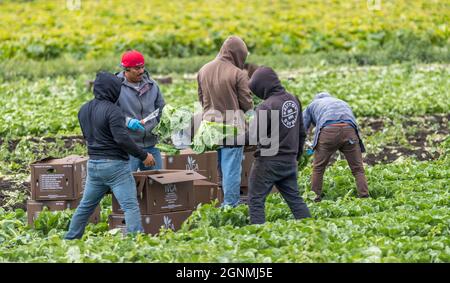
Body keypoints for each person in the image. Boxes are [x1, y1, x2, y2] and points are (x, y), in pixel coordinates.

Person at [65, 72, 155, 239]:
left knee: (86, 206)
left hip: (93, 165)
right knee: (130, 206)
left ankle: (70, 238)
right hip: (115, 167)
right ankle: (137, 241)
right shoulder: (114, 111)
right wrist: (143, 155)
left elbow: (87, 135)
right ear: (111, 90)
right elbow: (122, 139)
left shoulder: (83, 109)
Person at [245, 66, 311, 224]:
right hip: (289, 161)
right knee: (295, 200)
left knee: (255, 200)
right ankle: (312, 232)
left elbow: (253, 137)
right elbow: (302, 132)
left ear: (263, 87)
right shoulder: (293, 100)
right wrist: (297, 156)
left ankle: (258, 236)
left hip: (268, 162)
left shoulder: (266, 106)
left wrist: (224, 140)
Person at [197, 36, 253, 207]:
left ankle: (219, 203)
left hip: (210, 127)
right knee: (231, 170)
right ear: (237, 54)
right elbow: (247, 103)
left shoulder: (203, 70)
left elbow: (201, 99)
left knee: (218, 169)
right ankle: (230, 205)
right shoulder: (238, 73)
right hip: (232, 129)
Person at [303, 92, 370, 202]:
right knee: (358, 169)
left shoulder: (313, 105)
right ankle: (364, 196)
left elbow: (301, 127)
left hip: (329, 131)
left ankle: (315, 198)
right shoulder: (342, 102)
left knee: (318, 168)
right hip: (349, 131)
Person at [116, 50, 166, 171]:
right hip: (129, 147)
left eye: (143, 67)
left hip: (151, 144)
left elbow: (161, 109)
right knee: (129, 183)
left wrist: (164, 126)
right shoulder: (116, 86)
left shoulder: (152, 85)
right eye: (137, 68)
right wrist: (127, 121)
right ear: (126, 69)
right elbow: (110, 113)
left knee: (157, 181)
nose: (141, 71)